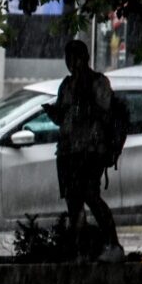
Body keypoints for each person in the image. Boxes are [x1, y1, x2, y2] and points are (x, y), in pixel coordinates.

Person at [43, 39, 123, 262]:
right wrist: (55, 113)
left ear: (85, 58)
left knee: (91, 195)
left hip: (91, 150)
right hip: (68, 151)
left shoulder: (97, 82)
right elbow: (63, 116)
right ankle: (80, 250)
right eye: (68, 59)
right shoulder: (67, 85)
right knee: (73, 201)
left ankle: (112, 244)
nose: (72, 64)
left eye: (75, 58)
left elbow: (107, 113)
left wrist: (86, 106)